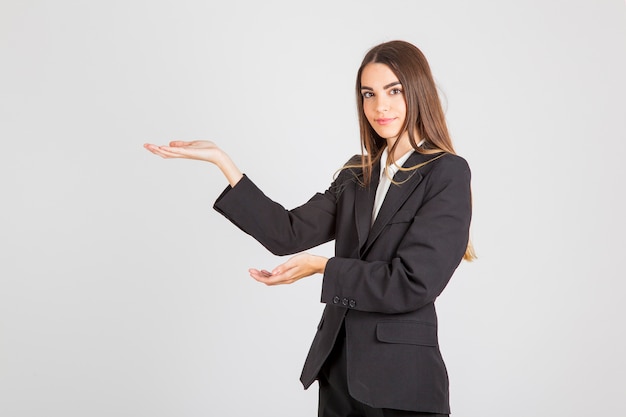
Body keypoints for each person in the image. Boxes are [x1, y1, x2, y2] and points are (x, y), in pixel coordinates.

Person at [144, 40, 475, 417]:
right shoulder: (357, 174)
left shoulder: (446, 172)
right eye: (369, 94)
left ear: (418, 91)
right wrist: (224, 163)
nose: (379, 106)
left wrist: (323, 266)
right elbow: (287, 233)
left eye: (393, 91)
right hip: (338, 374)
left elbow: (413, 283)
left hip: (401, 386)